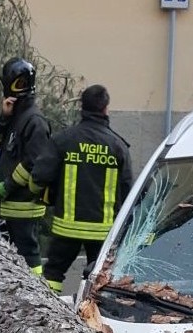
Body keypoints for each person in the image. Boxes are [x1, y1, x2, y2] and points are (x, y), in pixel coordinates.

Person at [16, 84, 133, 295]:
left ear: (82, 108)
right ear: (105, 108)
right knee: (100, 278)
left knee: (53, 273)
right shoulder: (118, 146)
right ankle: (91, 311)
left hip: (66, 228)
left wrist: (39, 195)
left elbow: (39, 176)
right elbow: (127, 191)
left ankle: (47, 310)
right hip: (102, 231)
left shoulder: (64, 140)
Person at [0, 57, 54, 276]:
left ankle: (37, 291)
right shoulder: (14, 115)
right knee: (7, 257)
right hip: (10, 204)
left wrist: (8, 185)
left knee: (28, 255)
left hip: (24, 205)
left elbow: (33, 162)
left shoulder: (35, 121)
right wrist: (2, 117)